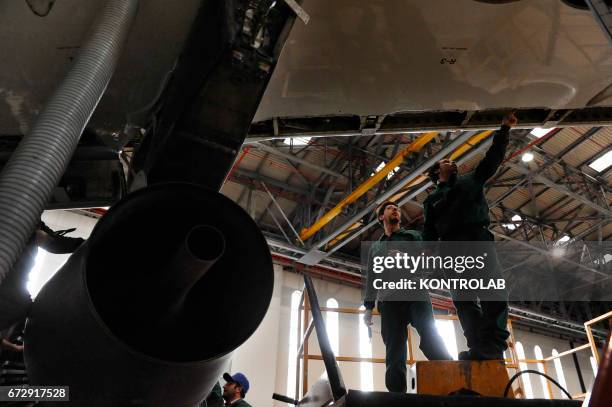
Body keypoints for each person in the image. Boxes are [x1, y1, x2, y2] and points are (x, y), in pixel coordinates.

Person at [423, 112, 518, 361]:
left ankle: (492, 344)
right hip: (450, 251)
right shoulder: (431, 200)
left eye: (452, 161)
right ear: (436, 172)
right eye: (446, 161)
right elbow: (429, 235)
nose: (451, 162)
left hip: (477, 240)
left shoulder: (470, 181)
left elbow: (492, 160)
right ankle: (478, 346)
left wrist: (504, 130)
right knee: (465, 301)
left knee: (493, 293)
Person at [363, 202, 451, 393]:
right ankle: (397, 394)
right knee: (394, 348)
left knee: (429, 333)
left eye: (397, 208)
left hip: (414, 292)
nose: (395, 209)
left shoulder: (413, 236)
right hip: (389, 301)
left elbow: (429, 259)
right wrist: (368, 307)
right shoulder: (375, 249)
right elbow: (372, 278)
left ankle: (452, 373)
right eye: (390, 208)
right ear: (381, 217)